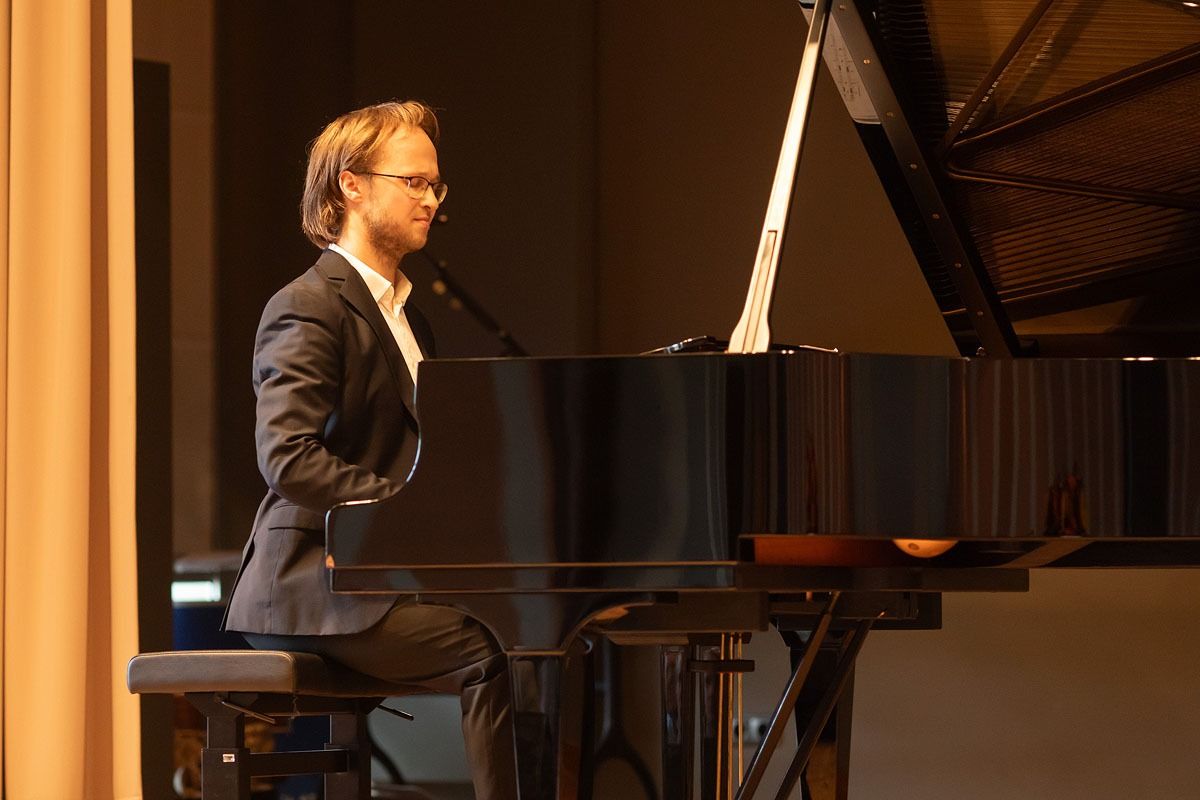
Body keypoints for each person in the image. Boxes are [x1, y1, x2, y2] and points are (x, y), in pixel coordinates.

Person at [222, 100, 517, 799]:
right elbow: (288, 458)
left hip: (373, 575)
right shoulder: (308, 304)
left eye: (435, 185)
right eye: (413, 182)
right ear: (351, 185)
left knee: (548, 634)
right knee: (496, 649)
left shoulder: (410, 319)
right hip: (308, 583)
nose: (431, 200)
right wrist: (405, 507)